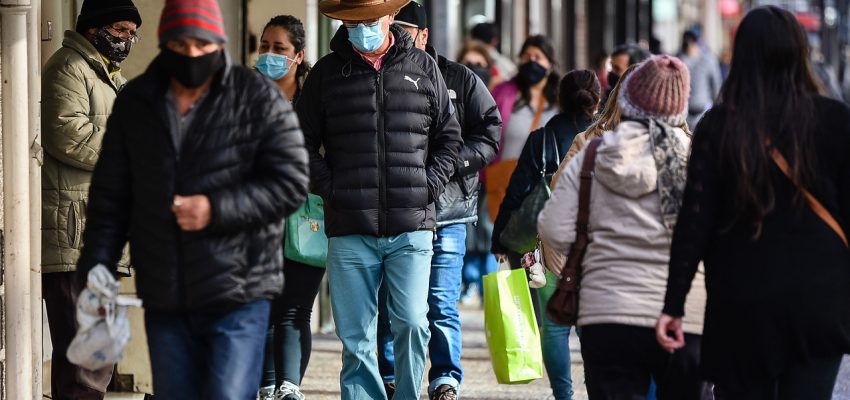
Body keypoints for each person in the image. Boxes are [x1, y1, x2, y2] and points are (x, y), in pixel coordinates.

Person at [75, 0, 310, 398]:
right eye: (180, 46)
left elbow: (289, 182)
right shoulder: (138, 103)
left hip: (239, 289)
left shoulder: (256, 99)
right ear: (165, 44)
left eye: (203, 45)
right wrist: (97, 267)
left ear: (219, 43)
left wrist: (215, 210)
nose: (192, 56)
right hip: (167, 291)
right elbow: (111, 195)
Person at [657, 6, 850, 399]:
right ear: (799, 53)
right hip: (819, 302)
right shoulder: (835, 120)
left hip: (740, 304)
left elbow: (695, 223)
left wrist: (674, 305)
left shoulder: (719, 126)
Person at [297, 0, 464, 398]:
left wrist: (427, 187)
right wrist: (331, 190)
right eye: (353, 22)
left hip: (412, 226)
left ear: (390, 17)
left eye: (369, 20)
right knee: (356, 337)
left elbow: (450, 138)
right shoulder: (326, 73)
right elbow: (299, 143)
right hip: (350, 227)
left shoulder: (424, 69)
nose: (361, 29)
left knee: (411, 322)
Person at [539, 55, 708, 399]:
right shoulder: (699, 157)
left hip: (607, 309)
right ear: (678, 107)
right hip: (683, 315)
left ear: (627, 99)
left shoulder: (592, 153)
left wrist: (586, 266)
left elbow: (553, 226)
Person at [374, 3, 501, 399]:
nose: (396, 34)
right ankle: (390, 372)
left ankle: (445, 378)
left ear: (425, 35)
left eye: (405, 28)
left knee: (441, 302)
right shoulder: (378, 75)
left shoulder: (458, 78)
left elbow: (490, 131)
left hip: (447, 212)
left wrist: (453, 164)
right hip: (394, 212)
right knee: (391, 302)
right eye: (390, 26)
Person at [41, 0, 141, 398]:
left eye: (132, 33)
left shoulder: (108, 76)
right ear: (92, 28)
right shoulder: (70, 67)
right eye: (120, 30)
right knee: (89, 355)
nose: (127, 39)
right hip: (75, 232)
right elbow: (68, 134)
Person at [498, 70, 601, 400]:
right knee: (590, 325)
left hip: (550, 243)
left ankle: (563, 395)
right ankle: (597, 389)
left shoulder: (542, 137)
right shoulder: (606, 138)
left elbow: (516, 192)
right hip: (594, 244)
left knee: (554, 325)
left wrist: (499, 237)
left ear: (559, 98)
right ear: (597, 100)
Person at [253, 15, 318, 400]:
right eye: (264, 47)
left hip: (305, 217)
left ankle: (289, 388)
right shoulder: (243, 94)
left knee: (293, 309)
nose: (269, 55)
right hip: (256, 218)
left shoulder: (315, 100)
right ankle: (266, 387)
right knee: (261, 307)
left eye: (279, 49)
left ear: (298, 55)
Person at [488, 35, 560, 259]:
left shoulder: (559, 99)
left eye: (538, 57)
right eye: (527, 56)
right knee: (504, 246)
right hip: (503, 183)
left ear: (550, 64)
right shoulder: (503, 93)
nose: (532, 61)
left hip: (544, 185)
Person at [679, 30, 723, 128]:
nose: (689, 44)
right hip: (683, 115)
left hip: (703, 112)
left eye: (692, 41)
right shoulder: (678, 60)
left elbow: (716, 88)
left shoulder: (708, 60)